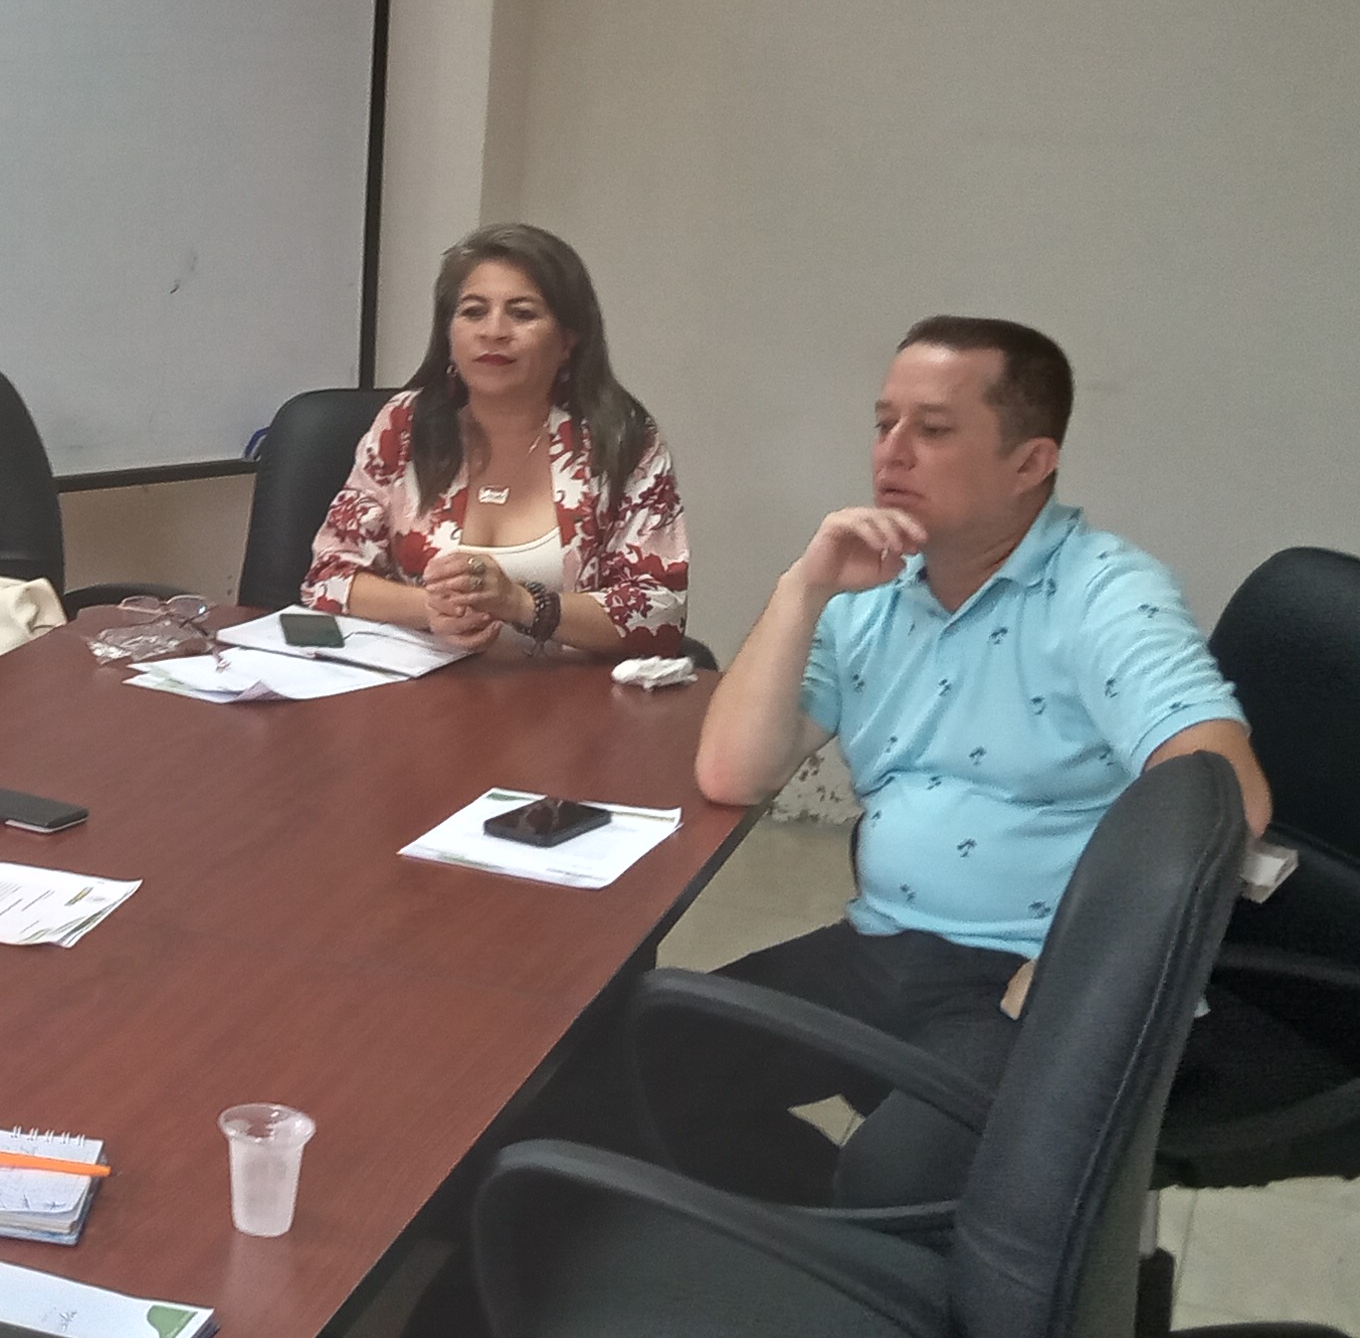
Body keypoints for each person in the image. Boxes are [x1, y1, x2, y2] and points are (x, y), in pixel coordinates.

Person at [681, 316, 1271, 1202]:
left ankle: (881, 1254)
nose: (892, 452)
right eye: (884, 423)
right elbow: (734, 773)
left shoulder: (1105, 593)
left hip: (1029, 972)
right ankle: (829, 1245)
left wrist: (1073, 971)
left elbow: (1224, 796)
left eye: (933, 428)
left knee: (897, 1177)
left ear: (1030, 462)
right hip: (883, 944)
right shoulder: (867, 589)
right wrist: (801, 589)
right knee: (635, 1063)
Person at [300, 224, 690, 660]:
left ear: (568, 340)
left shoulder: (620, 437)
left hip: (569, 695)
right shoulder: (405, 424)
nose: (494, 331)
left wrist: (521, 603)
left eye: (522, 314)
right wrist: (432, 608)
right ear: (448, 333)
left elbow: (660, 612)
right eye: (473, 312)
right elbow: (328, 578)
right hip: (423, 689)